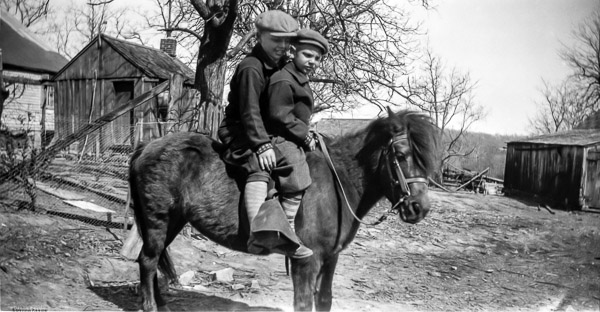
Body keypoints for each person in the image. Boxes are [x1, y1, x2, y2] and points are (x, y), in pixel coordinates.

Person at [217, 10, 311, 258]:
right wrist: (261, 146)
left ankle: (288, 229)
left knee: (292, 162)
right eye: (276, 39)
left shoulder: (277, 66)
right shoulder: (252, 67)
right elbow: (249, 112)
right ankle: (258, 236)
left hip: (261, 129)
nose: (282, 46)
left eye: (287, 40)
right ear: (259, 37)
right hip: (240, 129)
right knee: (259, 165)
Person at [265, 29, 328, 257]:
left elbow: (295, 115)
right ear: (293, 51)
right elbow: (279, 115)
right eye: (308, 55)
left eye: (317, 59)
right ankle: (285, 233)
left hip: (289, 133)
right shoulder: (284, 79)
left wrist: (308, 132)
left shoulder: (299, 78)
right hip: (276, 136)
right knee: (297, 169)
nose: (312, 62)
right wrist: (304, 135)